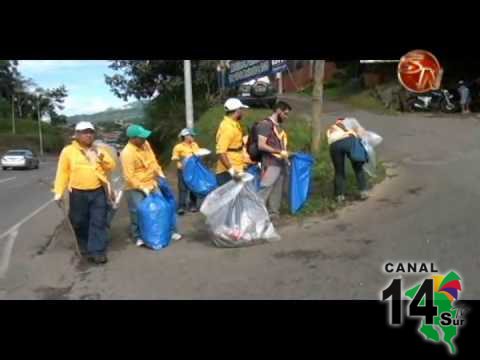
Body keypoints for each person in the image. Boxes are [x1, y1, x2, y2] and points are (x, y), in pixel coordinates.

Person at [53, 121, 116, 265]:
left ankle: (97, 251)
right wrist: (58, 192)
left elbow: (111, 166)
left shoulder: (98, 149)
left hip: (98, 191)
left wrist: (100, 156)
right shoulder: (68, 151)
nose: (88, 135)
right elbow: (62, 172)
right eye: (84, 132)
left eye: (90, 132)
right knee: (79, 221)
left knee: (98, 221)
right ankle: (85, 246)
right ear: (76, 135)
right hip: (77, 193)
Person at [120, 124, 182, 247]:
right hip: (135, 187)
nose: (144, 139)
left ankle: (168, 231)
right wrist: (142, 188)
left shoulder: (145, 144)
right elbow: (129, 176)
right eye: (141, 137)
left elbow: (153, 160)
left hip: (152, 182)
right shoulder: (127, 153)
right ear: (133, 138)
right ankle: (138, 236)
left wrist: (160, 173)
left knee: (162, 206)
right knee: (138, 211)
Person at [256, 101, 291, 221]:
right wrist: (278, 151)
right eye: (285, 114)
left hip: (280, 163)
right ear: (278, 111)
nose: (286, 117)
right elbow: (261, 145)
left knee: (276, 192)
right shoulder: (265, 125)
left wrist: (285, 155)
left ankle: (273, 216)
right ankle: (253, 216)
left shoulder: (277, 127)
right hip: (270, 164)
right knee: (264, 191)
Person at [327, 117, 369, 203]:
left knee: (339, 170)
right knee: (358, 167)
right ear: (345, 119)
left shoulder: (333, 127)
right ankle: (363, 191)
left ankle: (339, 196)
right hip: (348, 141)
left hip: (334, 146)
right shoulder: (351, 120)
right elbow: (361, 132)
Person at [215, 98, 249, 186]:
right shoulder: (228, 128)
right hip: (228, 172)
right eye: (241, 109)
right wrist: (232, 172)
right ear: (237, 111)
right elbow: (221, 152)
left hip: (237, 166)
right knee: (230, 199)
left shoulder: (234, 124)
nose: (243, 112)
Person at [171, 128, 200, 215]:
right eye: (191, 136)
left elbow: (198, 154)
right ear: (185, 137)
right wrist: (179, 163)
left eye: (193, 136)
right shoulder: (178, 147)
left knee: (193, 187)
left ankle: (193, 205)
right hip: (183, 169)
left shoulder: (195, 145)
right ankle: (181, 206)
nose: (192, 137)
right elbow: (175, 157)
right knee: (182, 188)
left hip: (194, 169)